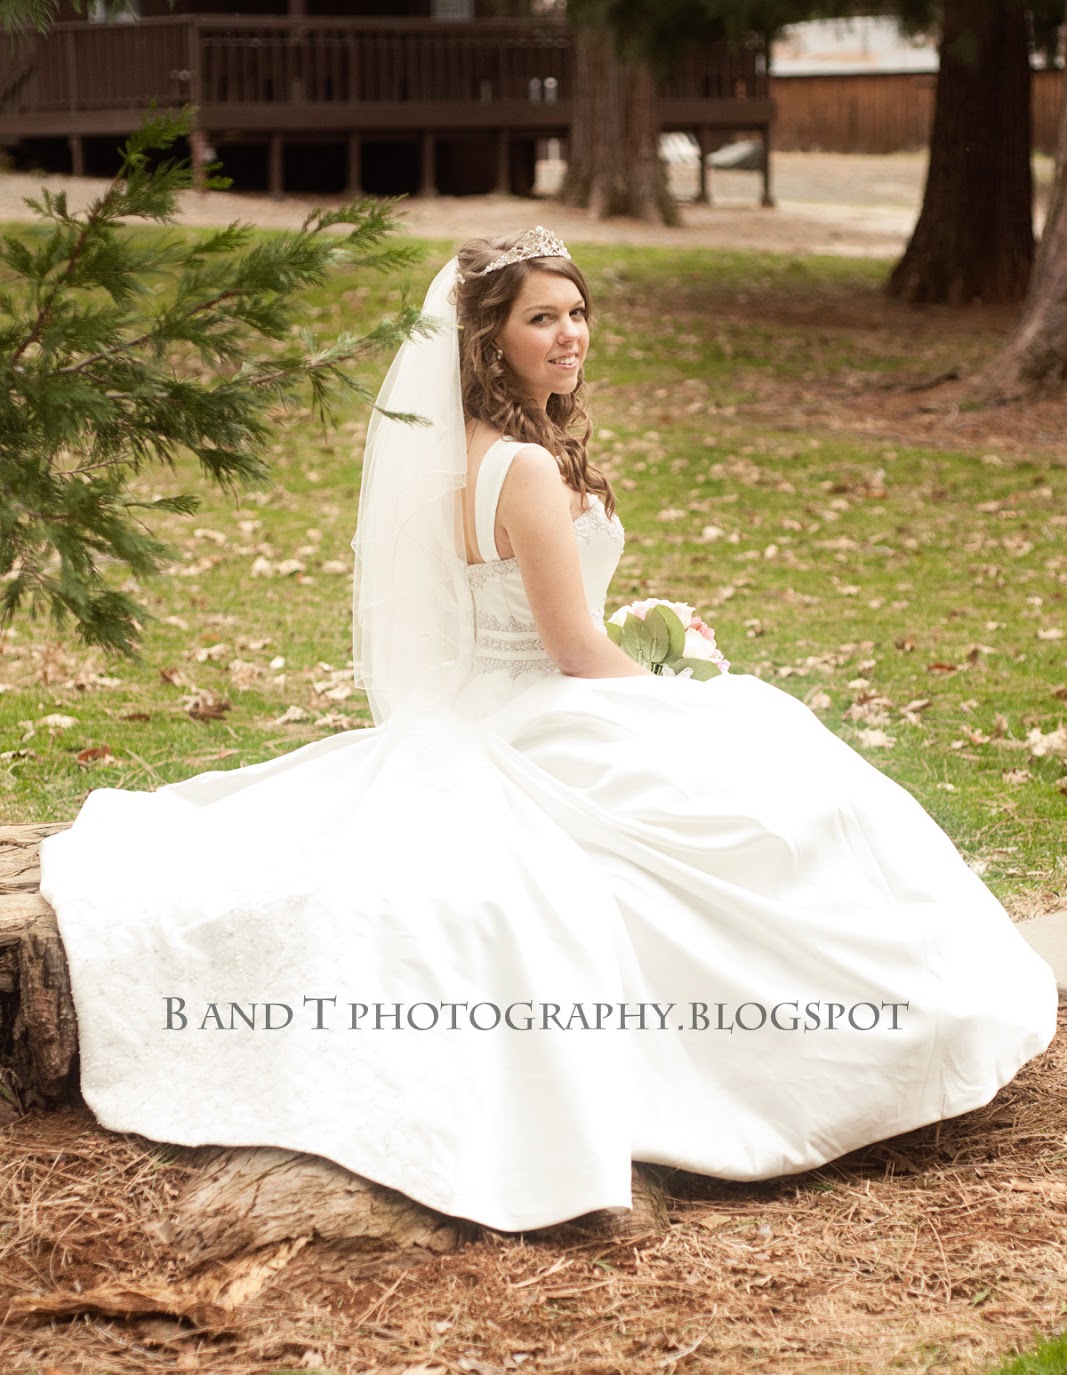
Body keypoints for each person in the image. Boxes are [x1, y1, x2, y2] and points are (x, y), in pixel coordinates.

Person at [38, 227, 1058, 1233]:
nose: (568, 335)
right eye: (540, 319)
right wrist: (677, 692)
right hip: (543, 704)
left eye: (577, 313)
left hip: (496, 700)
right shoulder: (522, 467)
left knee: (778, 781)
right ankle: (889, 1033)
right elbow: (571, 649)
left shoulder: (468, 453)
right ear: (489, 340)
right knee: (783, 786)